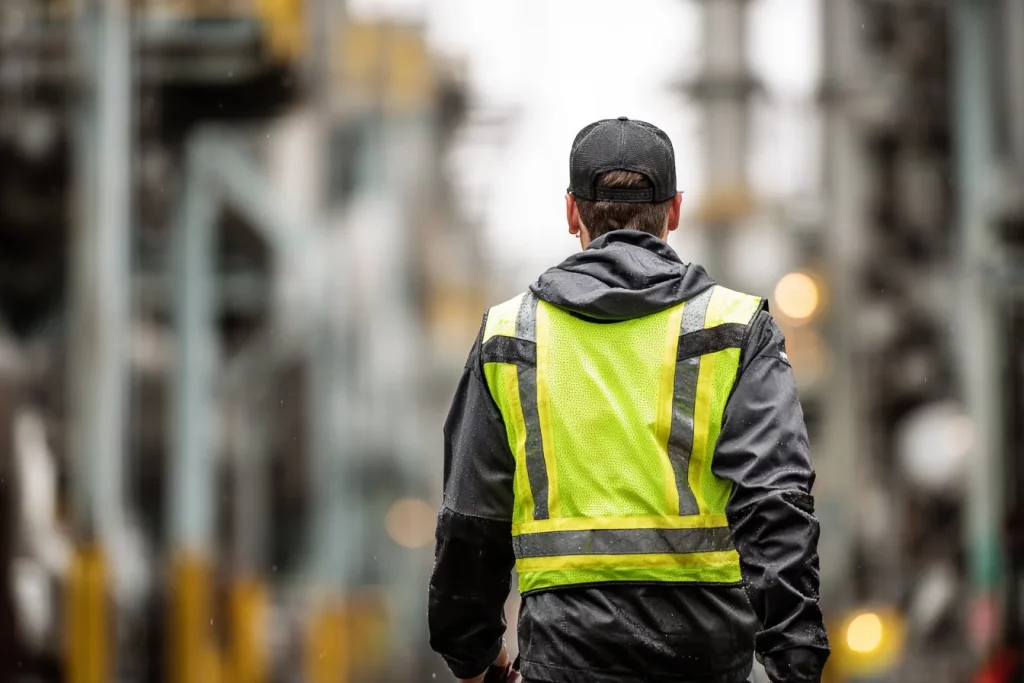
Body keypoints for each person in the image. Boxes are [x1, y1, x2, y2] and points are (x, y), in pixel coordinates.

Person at [428, 117, 830, 683]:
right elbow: (776, 506)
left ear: (572, 213)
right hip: (706, 659)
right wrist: (795, 662)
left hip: (564, 659)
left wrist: (471, 652)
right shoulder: (737, 329)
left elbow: (470, 520)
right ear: (675, 210)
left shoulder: (509, 337)